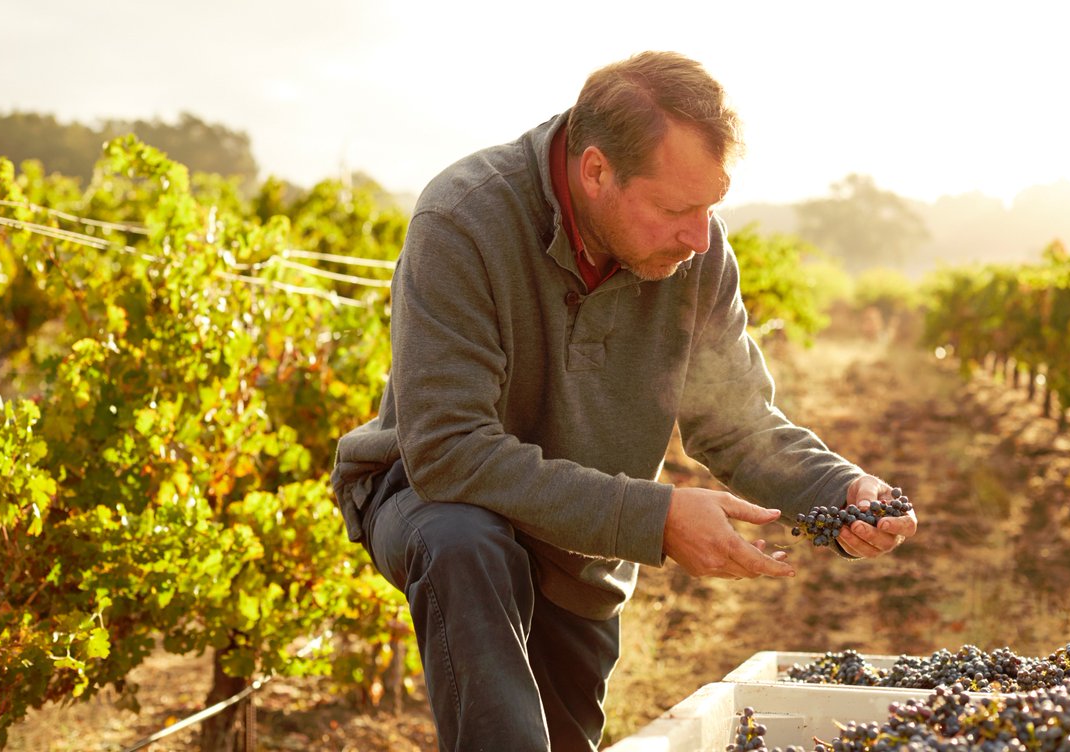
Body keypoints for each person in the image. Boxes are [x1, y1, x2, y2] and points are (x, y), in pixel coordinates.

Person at [330, 50, 918, 751]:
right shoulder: (462, 221)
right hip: (434, 500)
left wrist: (837, 490)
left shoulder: (698, 256)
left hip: (580, 547)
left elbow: (735, 422)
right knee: (467, 543)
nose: (698, 236)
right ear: (596, 171)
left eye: (710, 207)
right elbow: (449, 452)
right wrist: (656, 518)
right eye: (675, 209)